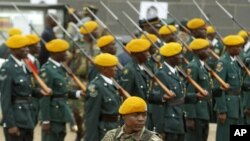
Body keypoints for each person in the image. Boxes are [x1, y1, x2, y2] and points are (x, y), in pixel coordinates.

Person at [149, 42, 204, 141]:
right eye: (178, 55)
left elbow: (180, 97)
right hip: (168, 123)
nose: (181, 57)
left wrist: (195, 96)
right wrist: (160, 128)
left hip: (178, 120)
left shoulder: (175, 72)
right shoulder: (161, 73)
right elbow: (157, 103)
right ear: (170, 57)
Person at [0, 35, 51, 141]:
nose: (26, 49)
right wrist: (11, 125)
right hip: (16, 119)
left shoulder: (24, 65)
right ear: (13, 50)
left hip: (27, 117)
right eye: (22, 47)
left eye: (27, 46)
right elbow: (5, 98)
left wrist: (40, 92)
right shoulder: (7, 68)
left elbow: (26, 89)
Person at [39, 39, 83, 141]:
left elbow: (63, 92)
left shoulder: (61, 68)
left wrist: (78, 93)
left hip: (61, 115)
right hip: (52, 116)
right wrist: (45, 120)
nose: (67, 54)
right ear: (55, 53)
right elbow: (44, 96)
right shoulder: (47, 70)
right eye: (64, 51)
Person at [84, 53, 121, 141]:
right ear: (104, 69)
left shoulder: (112, 83)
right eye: (113, 66)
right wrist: (92, 138)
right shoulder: (96, 87)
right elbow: (92, 115)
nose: (116, 69)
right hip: (104, 131)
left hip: (115, 128)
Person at [214, 35, 244, 141]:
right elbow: (218, 88)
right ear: (230, 48)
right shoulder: (223, 62)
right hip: (227, 106)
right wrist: (222, 110)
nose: (240, 49)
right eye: (237, 47)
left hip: (237, 105)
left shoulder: (235, 61)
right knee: (225, 137)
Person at [185, 39, 213, 141]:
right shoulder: (193, 66)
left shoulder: (202, 66)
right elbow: (189, 92)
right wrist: (190, 117)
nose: (209, 51)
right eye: (205, 49)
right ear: (197, 51)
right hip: (196, 113)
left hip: (203, 112)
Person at [26, 34, 41, 126]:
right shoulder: (25, 61)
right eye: (37, 44)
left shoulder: (35, 61)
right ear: (30, 47)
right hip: (27, 102)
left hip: (35, 102)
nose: (39, 46)